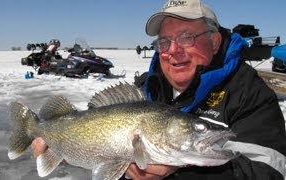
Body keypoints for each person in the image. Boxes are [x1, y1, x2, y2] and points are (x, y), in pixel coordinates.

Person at [31, 0, 286, 179]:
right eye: (164, 41)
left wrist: (184, 173)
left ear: (215, 41)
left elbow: (272, 171)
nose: (173, 51)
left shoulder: (249, 93)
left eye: (187, 38)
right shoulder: (144, 89)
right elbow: (104, 151)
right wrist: (70, 149)